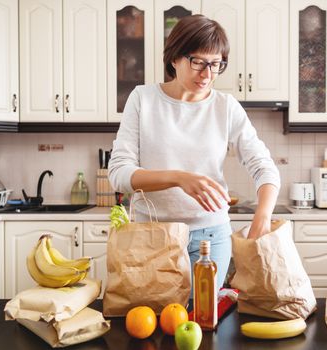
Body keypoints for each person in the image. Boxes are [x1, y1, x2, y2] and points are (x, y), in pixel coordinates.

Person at [108, 14, 280, 290]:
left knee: (202, 322)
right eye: (198, 62)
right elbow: (118, 173)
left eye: (216, 64)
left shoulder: (226, 107)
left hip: (211, 238)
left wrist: (263, 215)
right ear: (174, 58)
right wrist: (179, 178)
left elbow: (264, 167)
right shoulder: (143, 99)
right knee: (153, 322)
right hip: (153, 234)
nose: (207, 74)